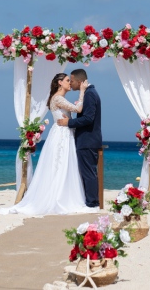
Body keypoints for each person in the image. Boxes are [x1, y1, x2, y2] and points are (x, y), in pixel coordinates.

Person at [10, 73, 94, 215]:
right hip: (61, 134)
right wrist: (82, 91)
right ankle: (57, 198)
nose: (70, 83)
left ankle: (63, 195)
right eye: (68, 80)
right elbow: (79, 109)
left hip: (65, 133)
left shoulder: (59, 98)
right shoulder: (57, 98)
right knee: (59, 165)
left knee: (65, 165)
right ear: (60, 82)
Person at [56, 68, 102, 208]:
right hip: (87, 139)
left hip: (87, 140)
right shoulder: (90, 93)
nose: (71, 83)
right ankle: (90, 201)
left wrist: (68, 123)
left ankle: (92, 202)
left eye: (72, 81)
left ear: (79, 81)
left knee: (88, 173)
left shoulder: (89, 94)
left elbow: (88, 118)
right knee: (87, 172)